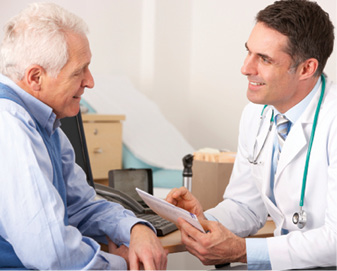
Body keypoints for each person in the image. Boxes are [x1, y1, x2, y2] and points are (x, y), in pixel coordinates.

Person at [166, 0, 336, 270]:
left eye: (264, 59)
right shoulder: (255, 116)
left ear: (306, 68)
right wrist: (202, 221)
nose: (246, 68)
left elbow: (334, 241)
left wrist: (242, 251)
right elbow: (246, 206)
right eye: (248, 52)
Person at [0, 3, 167, 270]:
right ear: (35, 77)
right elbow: (51, 253)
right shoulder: (10, 125)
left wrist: (136, 228)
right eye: (79, 71)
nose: (90, 82)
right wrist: (120, 265)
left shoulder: (47, 123)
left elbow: (82, 207)